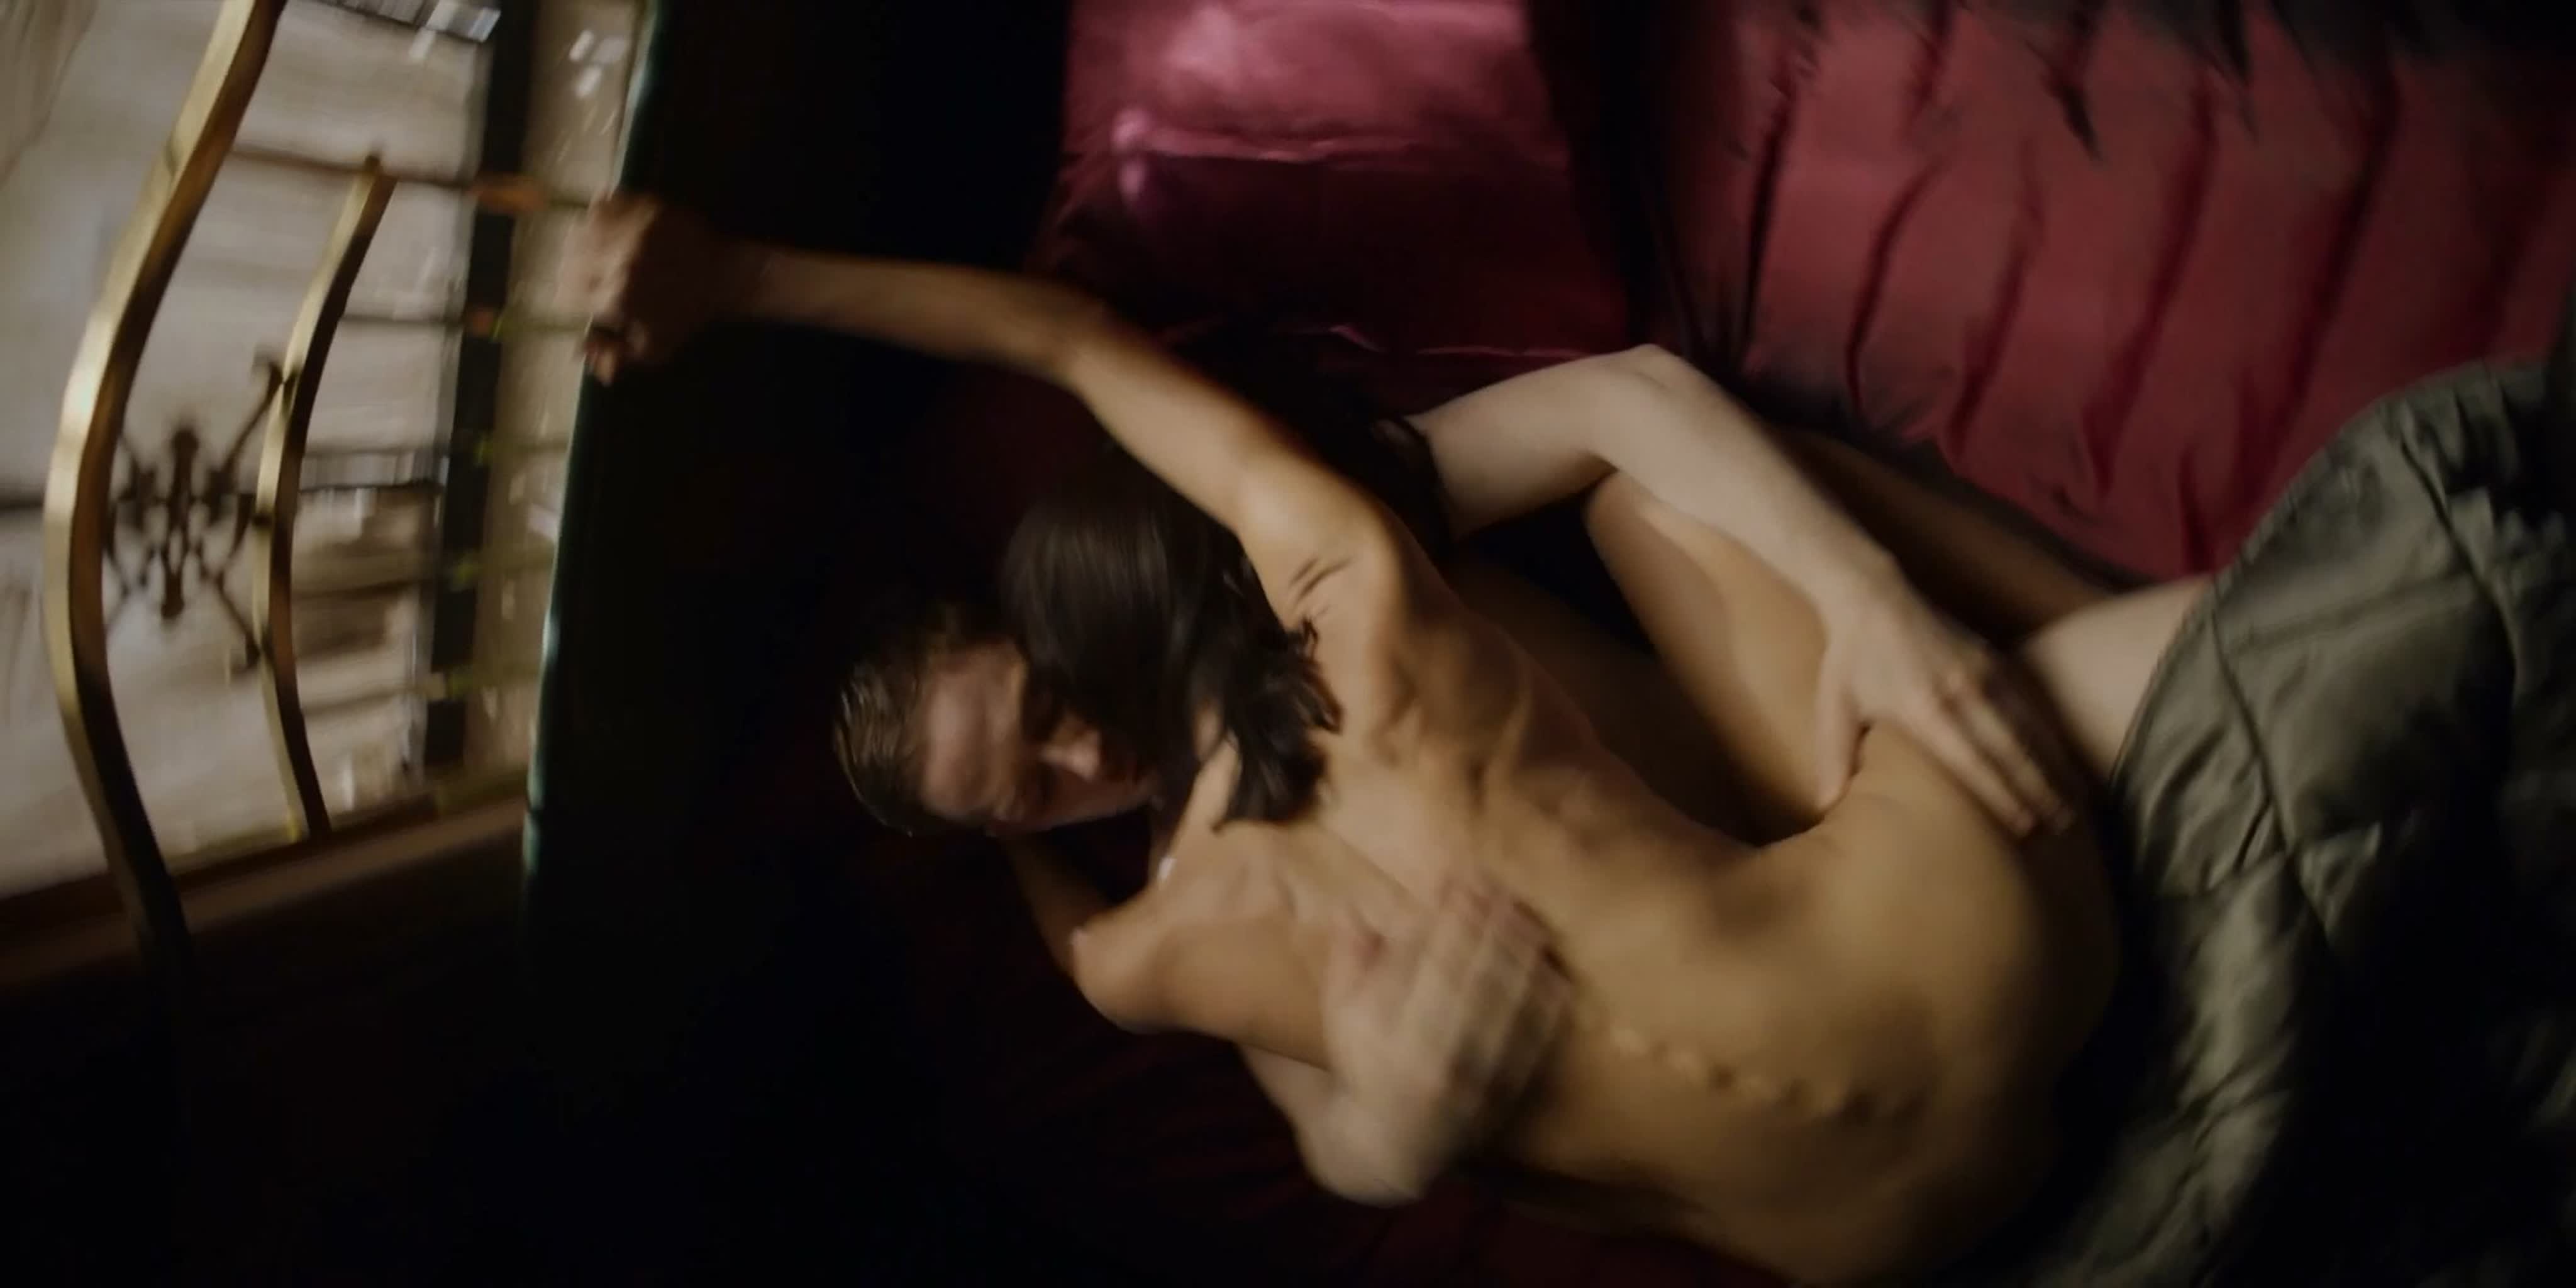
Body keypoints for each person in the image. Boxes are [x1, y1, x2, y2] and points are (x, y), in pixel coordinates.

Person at [562, 194, 2576, 1283]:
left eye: (1054, 717)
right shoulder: (1183, 935)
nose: (1083, 762)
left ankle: (2149, 648)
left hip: (1896, 835)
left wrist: (746, 276)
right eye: (1034, 789)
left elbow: (1074, 343)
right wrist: (1387, 1130)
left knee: (2399, 591)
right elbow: (1300, 1110)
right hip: (1945, 1128)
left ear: (1072, 619)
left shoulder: (1332, 568)